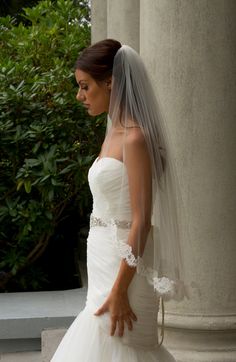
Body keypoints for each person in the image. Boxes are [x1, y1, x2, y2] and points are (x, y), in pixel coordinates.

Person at [51, 39, 185, 362]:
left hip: (124, 270)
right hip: (102, 262)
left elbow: (142, 220)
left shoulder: (135, 138)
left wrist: (120, 288)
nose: (79, 96)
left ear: (110, 83)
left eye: (85, 86)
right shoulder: (112, 132)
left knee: (120, 345)